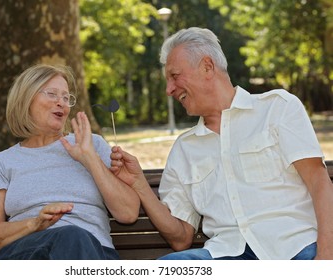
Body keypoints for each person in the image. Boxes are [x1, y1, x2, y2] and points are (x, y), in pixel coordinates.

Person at [110, 27, 333, 260]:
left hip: (295, 250)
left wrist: (326, 257)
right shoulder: (184, 148)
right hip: (226, 256)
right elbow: (181, 237)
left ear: (207, 66)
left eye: (174, 76)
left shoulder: (277, 108)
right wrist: (139, 185)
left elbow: (319, 182)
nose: (169, 90)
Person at [0, 64, 140, 260]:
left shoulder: (91, 144)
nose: (61, 103)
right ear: (26, 99)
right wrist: (35, 223)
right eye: (52, 94)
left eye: (66, 97)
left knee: (73, 236)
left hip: (93, 254)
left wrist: (89, 157)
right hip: (27, 254)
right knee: (70, 235)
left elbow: (128, 213)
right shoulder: (3, 161)